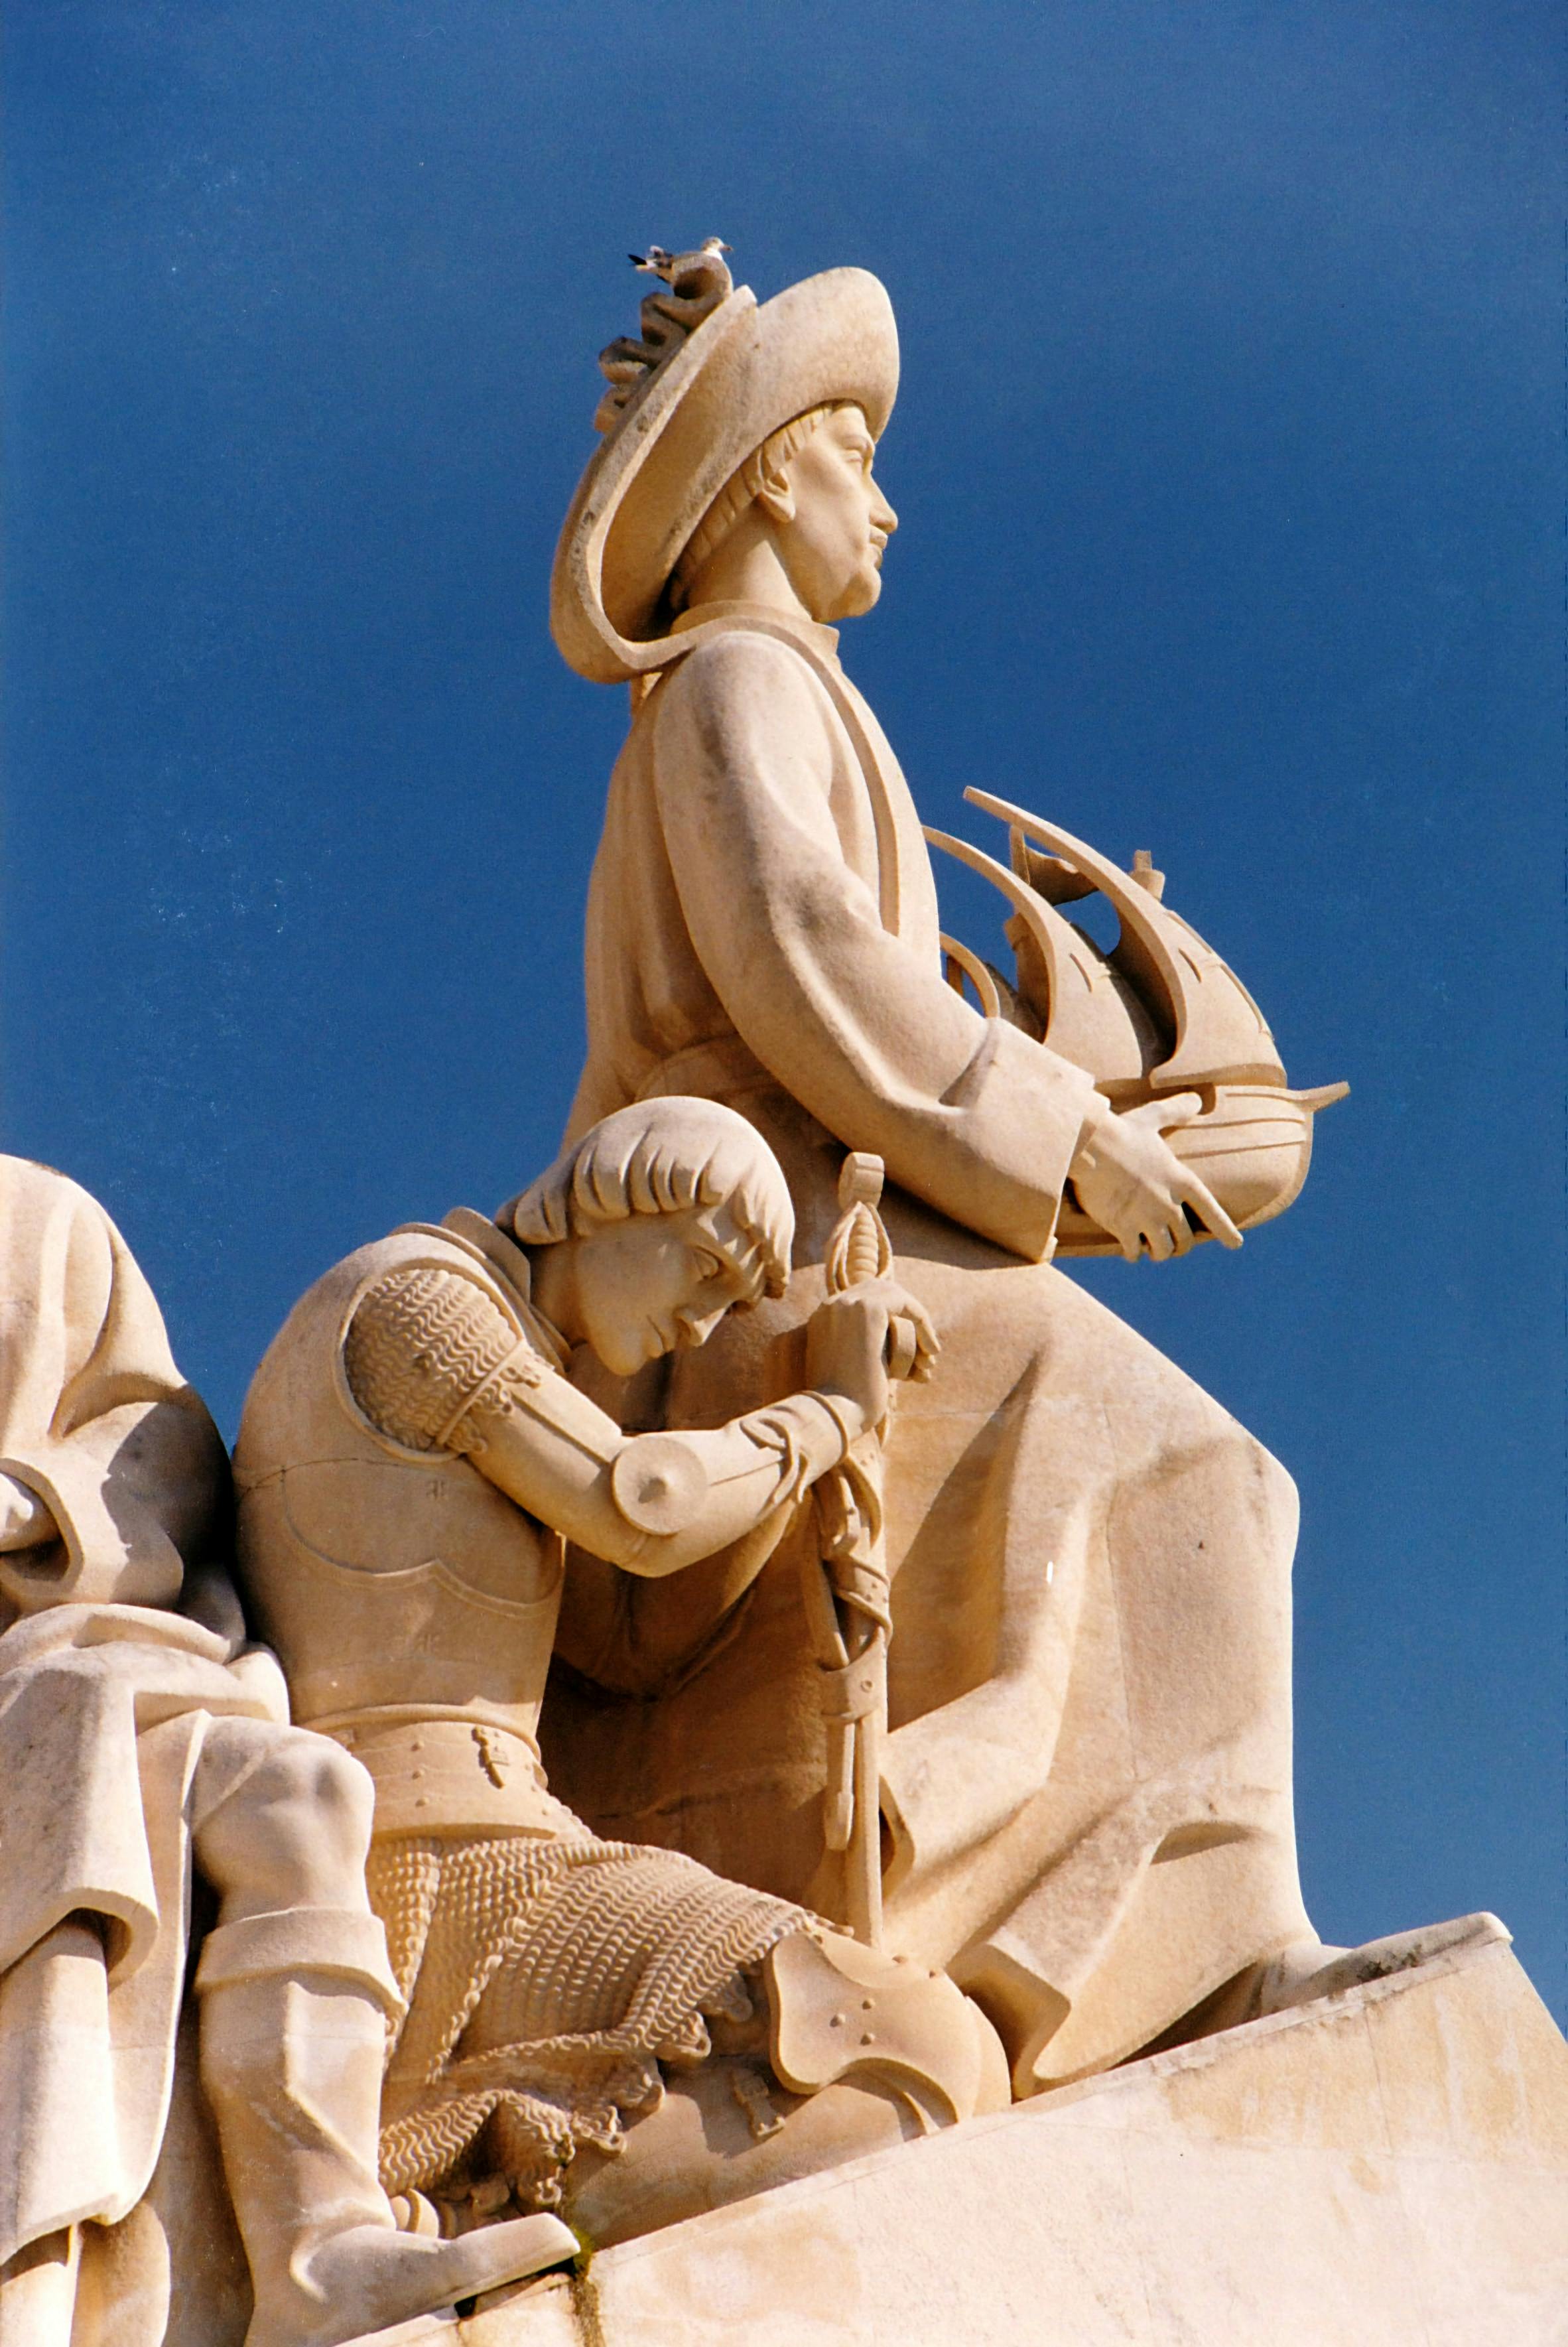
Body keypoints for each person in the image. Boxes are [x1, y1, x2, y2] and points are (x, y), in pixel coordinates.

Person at [539, 247, 1376, 2099]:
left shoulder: (778, 690)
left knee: (1197, 1472)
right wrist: (1060, 1139)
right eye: (858, 457)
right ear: (771, 472)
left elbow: (859, 993)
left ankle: (1166, 1932)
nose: (888, 502)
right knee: (1195, 1465)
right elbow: (808, 960)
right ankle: (1153, 1943)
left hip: (846, 1208)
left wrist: (1090, 1108)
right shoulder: (731, 678)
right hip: (757, 1247)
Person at [233, 1097, 1006, 2251]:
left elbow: (644, 1610)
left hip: (505, 1845)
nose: (702, 1322)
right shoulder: (420, 1304)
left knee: (943, 2055)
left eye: (731, 1297)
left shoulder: (519, 1365)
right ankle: (447, 2216)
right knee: (910, 2050)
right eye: (702, 1265)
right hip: (433, 1870)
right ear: (609, 1199)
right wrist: (832, 1408)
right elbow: (641, 1505)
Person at [0, 1155, 572, 2347]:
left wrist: (38, 1504)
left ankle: (322, 2251)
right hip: (42, 1704)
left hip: (55, 1670)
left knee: (299, 1789)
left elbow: (154, 1446)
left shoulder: (39, 1221)